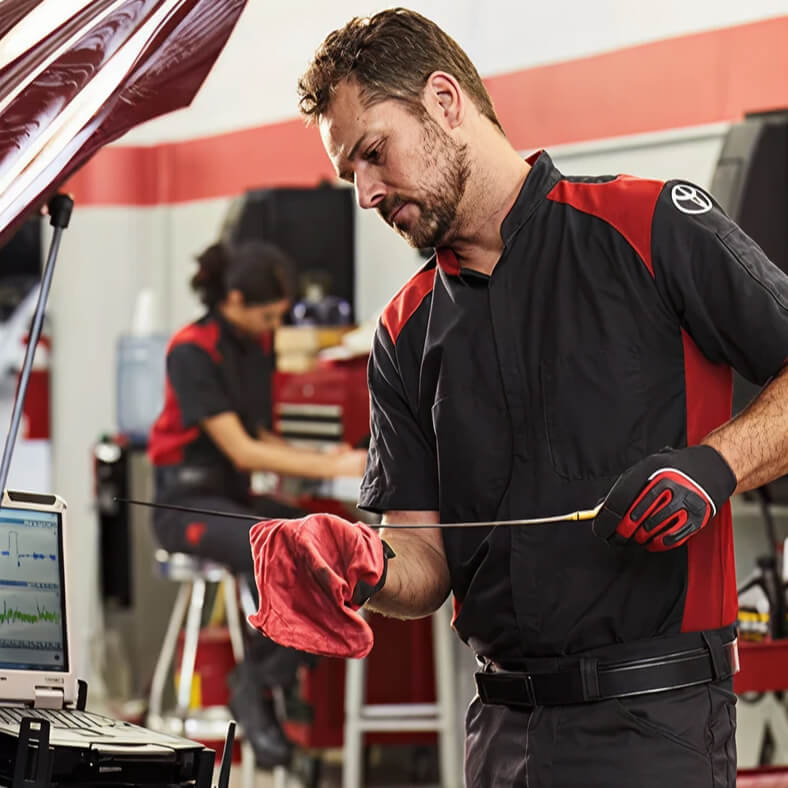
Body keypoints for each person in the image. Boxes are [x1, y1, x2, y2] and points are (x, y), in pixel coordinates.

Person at [147, 239, 366, 768]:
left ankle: (265, 677)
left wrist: (320, 454)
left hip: (234, 497)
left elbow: (260, 431)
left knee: (323, 534)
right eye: (266, 316)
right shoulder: (192, 350)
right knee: (271, 540)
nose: (273, 328)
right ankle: (263, 686)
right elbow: (241, 447)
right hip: (186, 504)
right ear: (235, 300)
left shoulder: (256, 345)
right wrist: (337, 467)